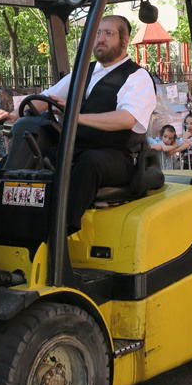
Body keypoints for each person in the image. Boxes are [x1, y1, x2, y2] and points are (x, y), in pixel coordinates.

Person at [31, 15, 156, 234]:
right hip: (77, 150)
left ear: (124, 40)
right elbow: (47, 98)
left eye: (108, 33)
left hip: (119, 159)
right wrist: (10, 113)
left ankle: (60, 231)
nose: (101, 39)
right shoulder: (83, 72)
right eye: (98, 33)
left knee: (91, 161)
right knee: (36, 150)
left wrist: (75, 116)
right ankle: (16, 219)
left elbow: (127, 118)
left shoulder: (137, 77)